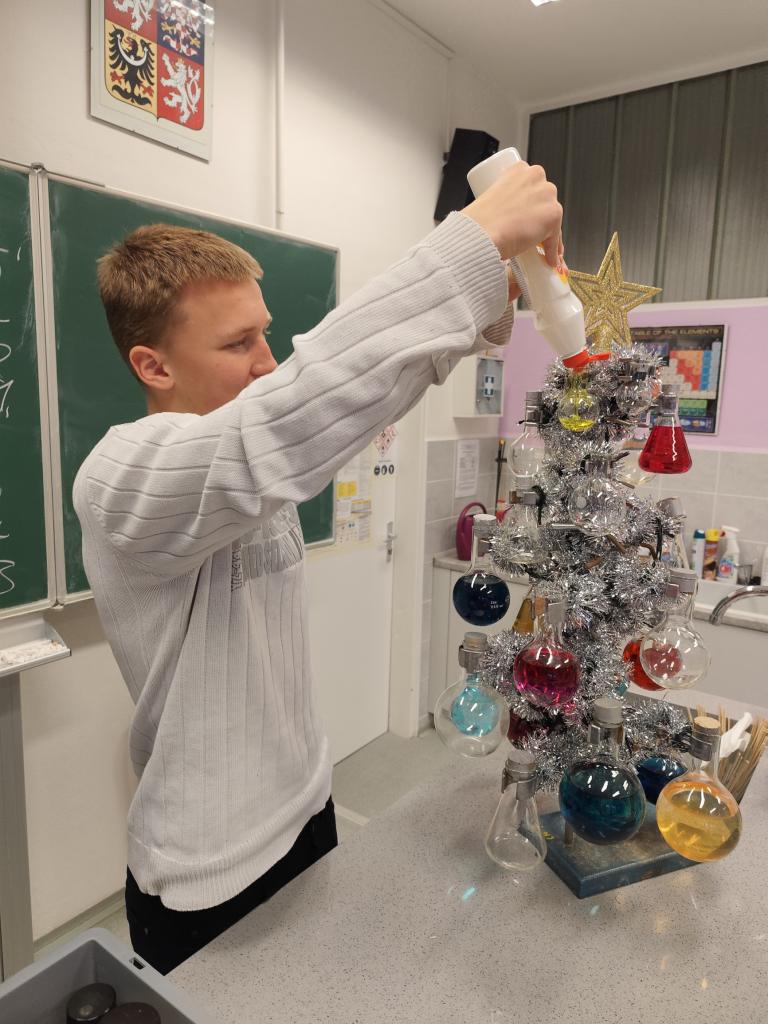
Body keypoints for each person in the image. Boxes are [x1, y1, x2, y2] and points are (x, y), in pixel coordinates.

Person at [74, 161, 563, 974]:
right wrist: (470, 244)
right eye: (238, 343)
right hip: (208, 868)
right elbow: (285, 417)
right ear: (153, 366)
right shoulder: (122, 477)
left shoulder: (244, 466)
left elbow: (333, 409)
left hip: (306, 809)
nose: (267, 361)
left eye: (264, 334)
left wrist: (479, 307)